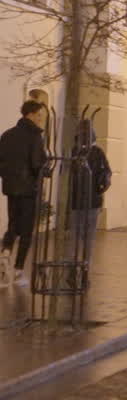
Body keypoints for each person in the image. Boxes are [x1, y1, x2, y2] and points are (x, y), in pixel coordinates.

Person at [0, 100, 48, 282]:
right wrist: (45, 168)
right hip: (28, 188)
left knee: (13, 223)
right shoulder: (35, 136)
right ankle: (19, 270)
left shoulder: (7, 135)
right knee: (27, 230)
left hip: (11, 188)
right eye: (39, 115)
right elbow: (37, 164)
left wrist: (8, 176)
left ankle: (6, 251)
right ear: (30, 114)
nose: (41, 119)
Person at [68, 118, 111, 266]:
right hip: (93, 199)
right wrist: (101, 188)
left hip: (76, 199)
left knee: (76, 234)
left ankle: (73, 263)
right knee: (89, 234)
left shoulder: (74, 151)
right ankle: (86, 263)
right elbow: (107, 173)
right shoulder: (97, 152)